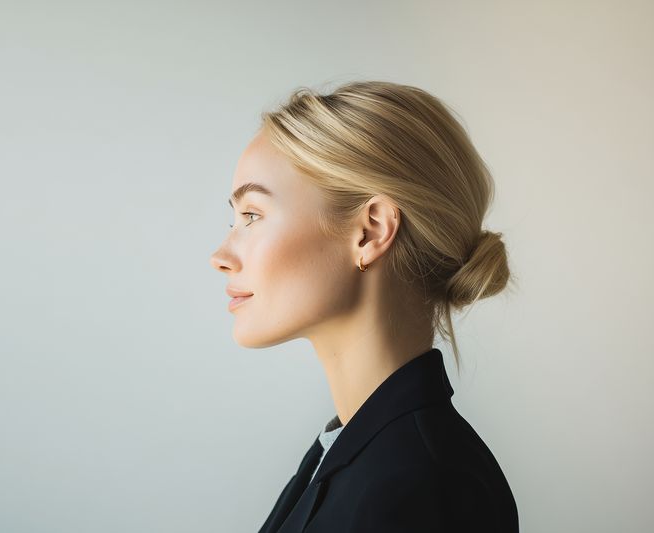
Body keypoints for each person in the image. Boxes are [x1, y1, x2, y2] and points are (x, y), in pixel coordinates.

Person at [209, 80, 519, 532]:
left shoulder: (423, 487)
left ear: (371, 231)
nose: (220, 256)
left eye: (252, 216)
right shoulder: (349, 455)